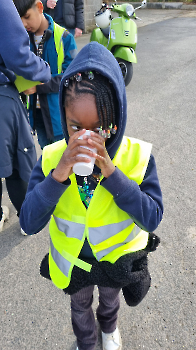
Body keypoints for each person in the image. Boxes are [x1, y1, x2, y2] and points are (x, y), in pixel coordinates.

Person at [20, 42, 164, 350]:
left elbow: (152, 216)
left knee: (110, 302)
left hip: (114, 259)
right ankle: (86, 341)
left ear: (117, 119)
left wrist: (112, 173)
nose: (86, 138)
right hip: (74, 262)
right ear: (65, 119)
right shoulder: (51, 159)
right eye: (75, 127)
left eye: (99, 128)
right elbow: (30, 221)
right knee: (79, 307)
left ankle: (109, 330)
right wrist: (58, 174)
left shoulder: (135, 157)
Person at [0, 0, 51, 233]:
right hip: (3, 96)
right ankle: (28, 217)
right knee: (20, 162)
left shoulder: (61, 37)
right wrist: (44, 71)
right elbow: (17, 55)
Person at [13, 0, 78, 150]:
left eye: (27, 16)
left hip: (60, 116)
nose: (23, 24)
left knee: (65, 159)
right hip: (37, 115)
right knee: (48, 160)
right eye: (19, 20)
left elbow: (73, 77)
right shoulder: (22, 41)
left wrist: (38, 88)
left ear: (40, 7)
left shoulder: (65, 38)